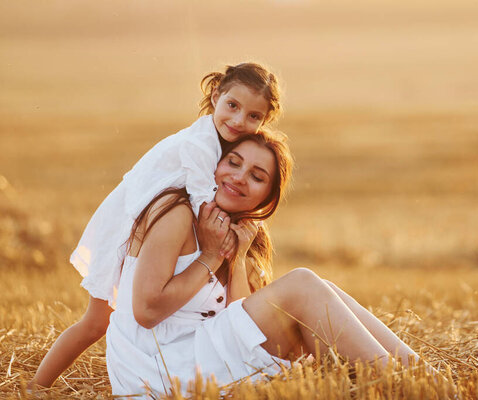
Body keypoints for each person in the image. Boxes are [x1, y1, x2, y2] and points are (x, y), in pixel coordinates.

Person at [105, 132, 422, 397]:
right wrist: (211, 256)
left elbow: (237, 317)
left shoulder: (227, 229)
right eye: (233, 162)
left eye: (257, 177)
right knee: (302, 285)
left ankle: (423, 376)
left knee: (323, 291)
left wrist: (237, 258)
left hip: (195, 353)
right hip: (155, 368)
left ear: (265, 200)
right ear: (214, 163)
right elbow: (145, 312)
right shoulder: (177, 213)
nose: (239, 178)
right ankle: (407, 386)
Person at [30, 62, 283, 388]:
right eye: (232, 106)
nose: (238, 121)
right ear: (216, 94)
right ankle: (37, 387)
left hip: (143, 223)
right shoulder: (201, 143)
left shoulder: (221, 142)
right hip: (123, 227)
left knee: (98, 322)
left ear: (265, 121)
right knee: (95, 323)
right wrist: (216, 238)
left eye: (253, 116)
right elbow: (202, 199)